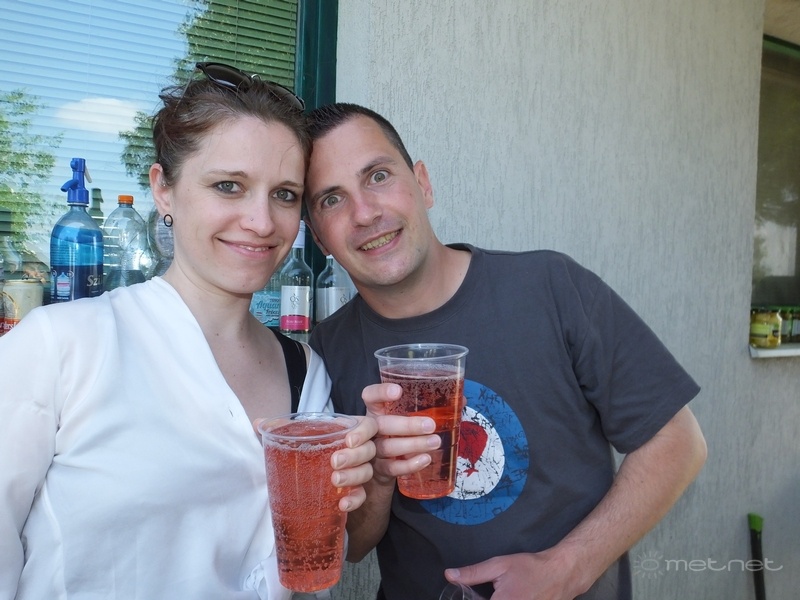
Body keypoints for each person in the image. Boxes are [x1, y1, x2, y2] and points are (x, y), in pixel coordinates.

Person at [303, 103, 708, 600]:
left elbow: (678, 441)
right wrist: (381, 477)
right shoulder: (328, 353)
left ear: (423, 184)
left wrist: (567, 568)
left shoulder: (549, 289)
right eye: (332, 199)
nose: (365, 213)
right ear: (319, 238)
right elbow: (357, 544)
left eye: (379, 176)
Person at [0, 66, 376, 600]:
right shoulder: (63, 346)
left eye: (285, 194)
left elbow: (311, 561)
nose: (261, 221)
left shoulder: (304, 371)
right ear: (164, 190)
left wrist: (360, 483)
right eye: (228, 186)